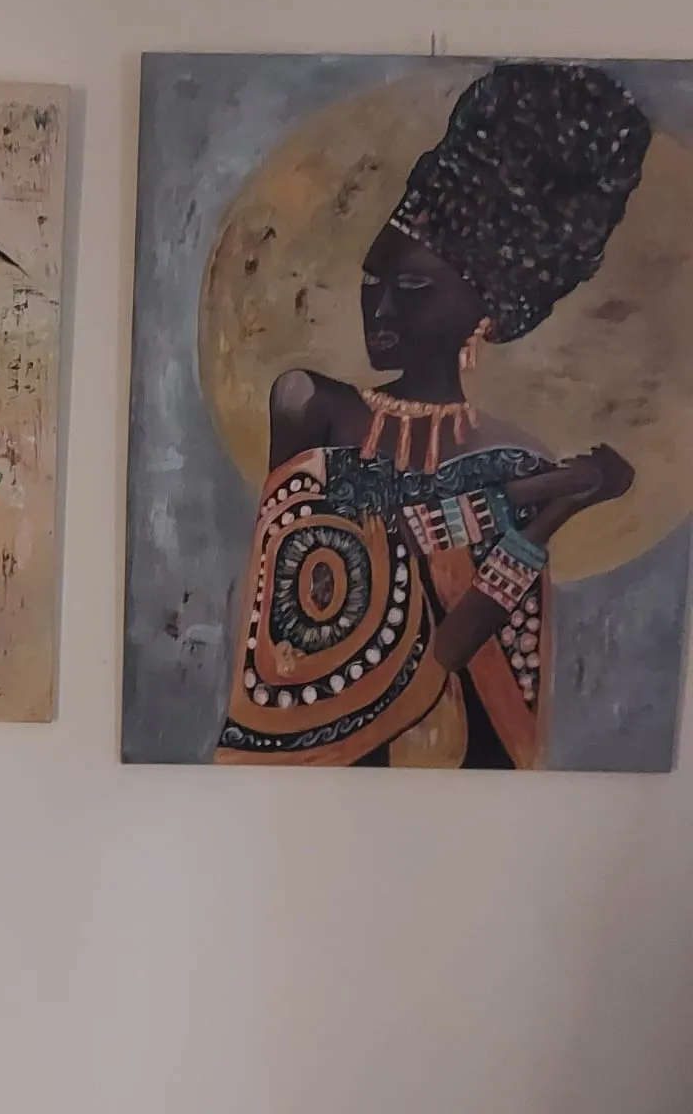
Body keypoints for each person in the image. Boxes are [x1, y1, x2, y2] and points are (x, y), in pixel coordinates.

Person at [218, 63, 649, 768]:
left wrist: (549, 511)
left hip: (453, 765)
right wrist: (538, 493)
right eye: (372, 279)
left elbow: (453, 659)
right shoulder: (310, 403)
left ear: (484, 314)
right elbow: (321, 581)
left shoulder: (513, 455)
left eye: (414, 286)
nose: (380, 306)